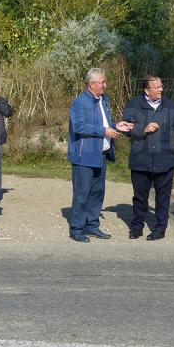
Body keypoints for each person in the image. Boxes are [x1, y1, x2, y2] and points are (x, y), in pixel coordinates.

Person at [67, 68, 133, 243]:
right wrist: (104, 131)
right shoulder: (80, 102)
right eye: (102, 82)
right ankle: (77, 228)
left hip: (101, 154)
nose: (105, 85)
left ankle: (92, 225)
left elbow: (103, 123)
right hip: (84, 155)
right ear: (92, 84)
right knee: (82, 193)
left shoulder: (103, 100)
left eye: (105, 82)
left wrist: (116, 126)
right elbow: (79, 126)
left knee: (97, 192)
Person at [122, 75, 174, 241]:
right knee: (140, 197)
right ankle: (137, 227)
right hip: (140, 160)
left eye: (161, 86)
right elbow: (124, 128)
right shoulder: (133, 105)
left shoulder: (171, 106)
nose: (161, 89)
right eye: (157, 87)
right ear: (147, 90)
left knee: (163, 197)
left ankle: (160, 228)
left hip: (164, 160)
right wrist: (142, 128)